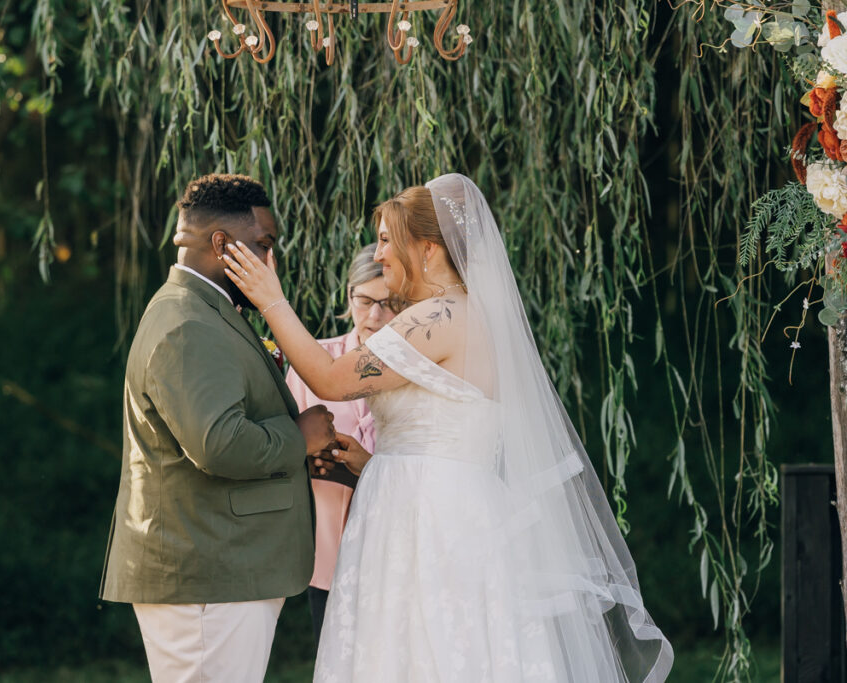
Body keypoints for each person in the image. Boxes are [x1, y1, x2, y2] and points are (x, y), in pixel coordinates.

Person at [223, 173, 674, 682]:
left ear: (429, 249)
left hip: (427, 523)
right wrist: (373, 465)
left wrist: (270, 299)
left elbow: (331, 378)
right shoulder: (465, 315)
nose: (381, 254)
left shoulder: (437, 317)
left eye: (389, 240)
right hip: (447, 507)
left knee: (422, 649)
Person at [99, 173, 336, 683]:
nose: (272, 263)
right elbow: (220, 443)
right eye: (264, 245)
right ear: (222, 244)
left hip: (218, 572)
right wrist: (301, 437)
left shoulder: (205, 312)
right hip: (206, 578)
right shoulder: (188, 324)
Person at [285, 243, 397, 643]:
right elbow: (280, 451)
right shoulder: (314, 364)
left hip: (401, 557)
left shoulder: (421, 373)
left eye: (390, 304)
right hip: (328, 560)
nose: (375, 317)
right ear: (348, 297)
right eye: (365, 300)